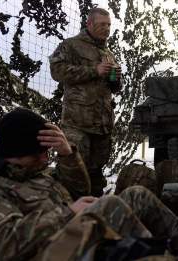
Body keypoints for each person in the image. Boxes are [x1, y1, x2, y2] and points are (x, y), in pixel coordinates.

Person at [0, 108, 178, 261]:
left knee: (137, 194)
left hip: (76, 235)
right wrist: (67, 213)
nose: (45, 158)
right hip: (49, 252)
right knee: (109, 206)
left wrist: (67, 155)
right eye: (39, 152)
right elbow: (1, 246)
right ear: (16, 151)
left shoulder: (33, 172)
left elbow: (79, 190)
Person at [49, 7, 122, 196]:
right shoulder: (71, 45)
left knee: (96, 174)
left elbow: (114, 88)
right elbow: (57, 71)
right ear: (89, 24)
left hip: (102, 125)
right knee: (73, 174)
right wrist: (94, 70)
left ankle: (96, 213)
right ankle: (68, 215)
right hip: (77, 124)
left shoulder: (108, 52)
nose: (106, 29)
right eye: (102, 25)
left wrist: (115, 78)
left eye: (109, 25)